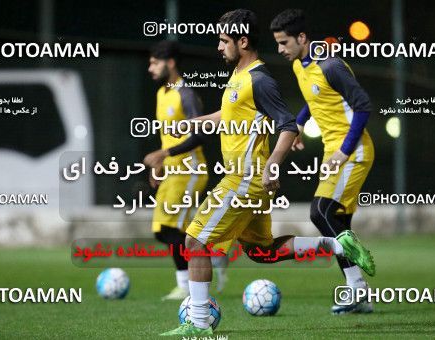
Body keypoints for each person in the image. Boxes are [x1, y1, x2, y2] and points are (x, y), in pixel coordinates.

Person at [161, 9, 375, 336]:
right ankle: (338, 245)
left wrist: (273, 163)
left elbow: (287, 126)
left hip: (244, 180)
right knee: (263, 252)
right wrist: (193, 123)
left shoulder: (259, 79)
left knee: (194, 240)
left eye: (223, 41)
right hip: (246, 181)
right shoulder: (239, 76)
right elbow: (230, 115)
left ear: (242, 41)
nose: (219, 47)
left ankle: (198, 323)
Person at [270, 9, 375, 314]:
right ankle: (358, 294)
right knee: (338, 222)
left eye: (284, 42)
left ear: (302, 38)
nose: (280, 49)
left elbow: (363, 106)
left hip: (352, 151)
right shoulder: (300, 66)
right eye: (277, 43)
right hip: (334, 152)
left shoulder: (331, 66)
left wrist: (343, 151)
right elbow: (315, 99)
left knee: (320, 212)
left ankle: (358, 282)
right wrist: (300, 123)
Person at [144, 40, 227, 300]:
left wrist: (165, 154)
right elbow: (167, 139)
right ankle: (214, 256)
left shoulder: (186, 93)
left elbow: (202, 134)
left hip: (189, 170)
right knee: (163, 231)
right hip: (171, 171)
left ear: (170, 63)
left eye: (155, 63)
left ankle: (185, 286)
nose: (150, 68)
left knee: (172, 230)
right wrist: (160, 164)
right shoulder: (161, 94)